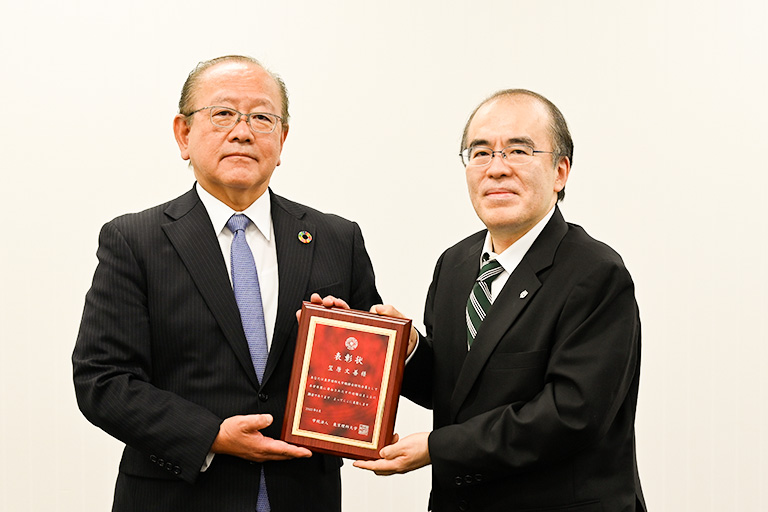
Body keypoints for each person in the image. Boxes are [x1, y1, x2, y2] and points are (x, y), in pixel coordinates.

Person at [72, 55, 381, 512]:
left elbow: (371, 368)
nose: (243, 131)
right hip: (176, 495)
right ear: (184, 134)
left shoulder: (336, 238)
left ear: (282, 138)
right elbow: (102, 380)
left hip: (302, 494)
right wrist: (212, 435)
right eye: (222, 115)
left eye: (261, 117)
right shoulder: (133, 240)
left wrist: (364, 404)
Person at [353, 89, 646, 511]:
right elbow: (460, 388)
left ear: (560, 171)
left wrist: (438, 448)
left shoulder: (596, 273)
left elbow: (571, 414)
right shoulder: (455, 264)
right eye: (481, 153)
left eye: (518, 151)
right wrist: (408, 349)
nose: (497, 169)